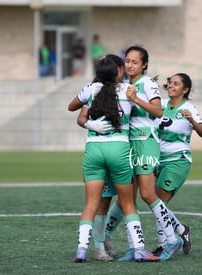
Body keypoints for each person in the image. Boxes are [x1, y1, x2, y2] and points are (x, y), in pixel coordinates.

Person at [68, 55, 160, 263]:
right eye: (123, 66)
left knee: (91, 204)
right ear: (118, 70)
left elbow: (73, 108)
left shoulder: (91, 89)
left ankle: (83, 250)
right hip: (119, 150)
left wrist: (90, 123)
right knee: (128, 204)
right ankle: (139, 249)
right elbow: (152, 111)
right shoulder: (128, 90)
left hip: (93, 150)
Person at [105, 45, 183, 262]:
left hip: (146, 142)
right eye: (127, 61)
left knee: (148, 194)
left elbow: (158, 111)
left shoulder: (147, 83)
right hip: (129, 144)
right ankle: (133, 247)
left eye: (134, 62)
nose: (129, 65)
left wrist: (136, 99)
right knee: (126, 197)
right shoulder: (125, 84)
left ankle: (172, 239)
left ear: (144, 64)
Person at [153, 73, 202, 256]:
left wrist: (191, 119)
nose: (171, 86)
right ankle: (181, 231)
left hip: (178, 160)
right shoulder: (160, 104)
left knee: (158, 202)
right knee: (157, 203)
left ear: (185, 90)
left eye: (176, 84)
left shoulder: (189, 107)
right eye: (170, 83)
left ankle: (164, 244)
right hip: (157, 159)